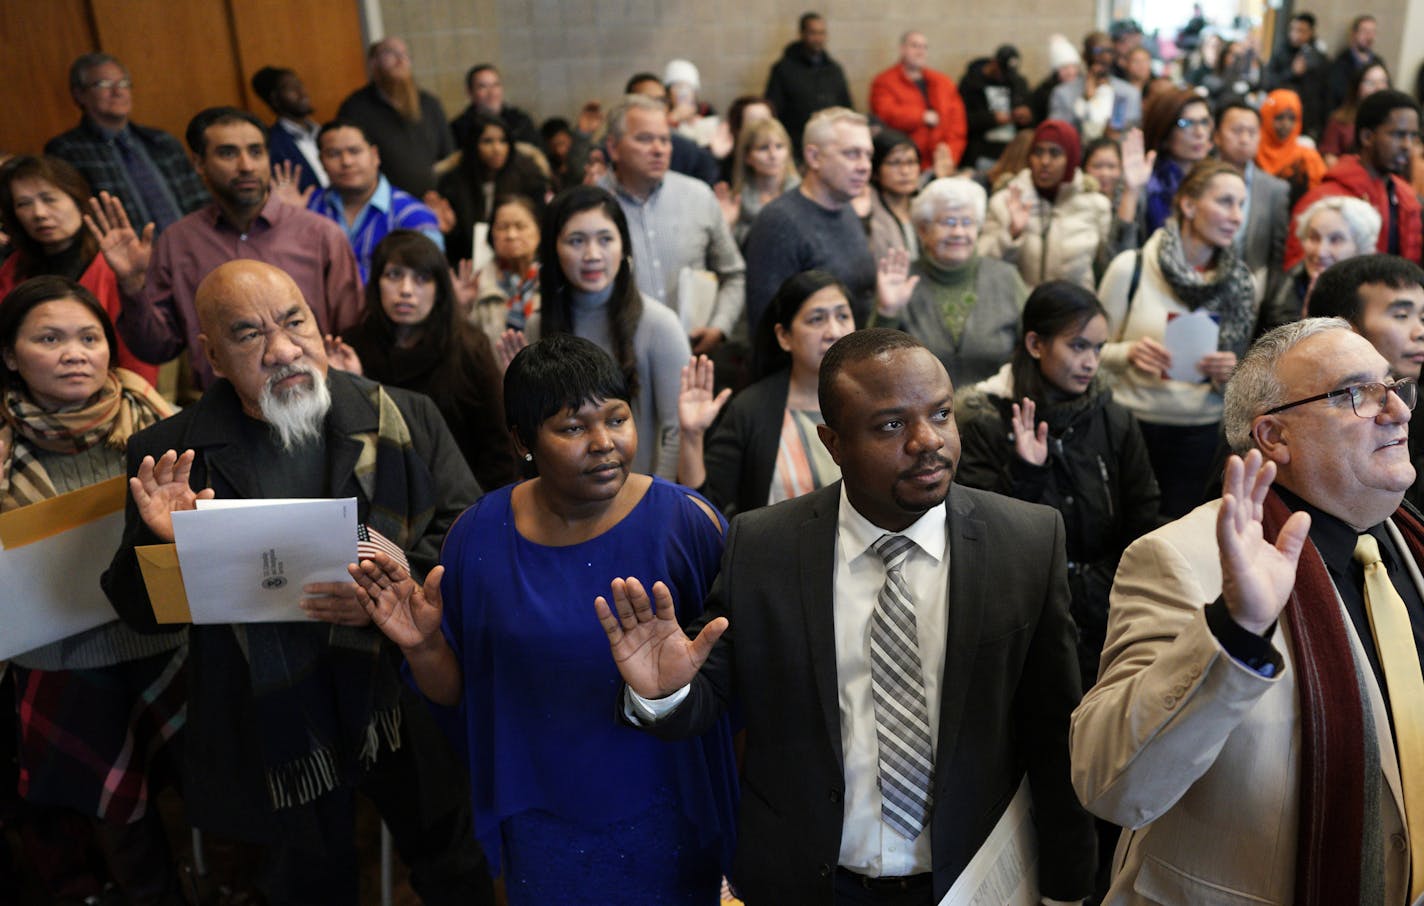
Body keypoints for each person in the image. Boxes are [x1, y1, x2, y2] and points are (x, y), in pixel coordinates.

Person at [597, 328, 1096, 903]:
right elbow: (712, 699)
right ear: (832, 442)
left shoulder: (1026, 542)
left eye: (940, 413)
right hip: (809, 881)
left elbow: (1056, 737)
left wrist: (1067, 889)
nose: (927, 441)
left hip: (970, 882)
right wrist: (664, 694)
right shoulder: (764, 547)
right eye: (891, 425)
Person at [100, 260, 494, 905]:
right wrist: (165, 543)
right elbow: (142, 615)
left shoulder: (402, 416)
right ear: (214, 358)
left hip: (397, 693)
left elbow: (470, 541)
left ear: (318, 320)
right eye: (249, 334)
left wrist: (394, 584)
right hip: (270, 711)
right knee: (308, 884)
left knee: (453, 864)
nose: (283, 349)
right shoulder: (173, 451)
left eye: (294, 321)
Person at [349, 333, 738, 905]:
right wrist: (423, 646)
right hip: (538, 808)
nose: (604, 443)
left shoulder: (687, 524)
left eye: (617, 418)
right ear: (523, 440)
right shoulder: (477, 537)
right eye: (573, 427)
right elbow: (459, 695)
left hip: (666, 799)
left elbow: (737, 684)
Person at [1071, 318, 1421, 905]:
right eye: (1357, 394)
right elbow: (1111, 784)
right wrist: (1235, 631)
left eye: (1393, 385)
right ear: (1273, 437)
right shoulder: (1180, 557)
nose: (1398, 411)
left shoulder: (1407, 543)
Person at [0, 276, 184, 905]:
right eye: (48, 338)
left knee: (196, 789)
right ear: (9, 354)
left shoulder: (157, 420)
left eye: (89, 337)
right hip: (60, 663)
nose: (74, 352)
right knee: (118, 814)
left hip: (166, 643)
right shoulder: (3, 444)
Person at [954, 280, 1161, 690]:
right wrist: (1026, 474)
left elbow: (1143, 515)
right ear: (1035, 343)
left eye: (1099, 349)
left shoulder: (1113, 419)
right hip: (1024, 616)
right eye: (1078, 346)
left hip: (1106, 609)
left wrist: (1099, 590)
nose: (1091, 362)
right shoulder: (984, 421)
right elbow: (979, 537)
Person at [87, 106, 362, 392]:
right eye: (228, 153)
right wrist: (132, 287)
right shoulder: (179, 242)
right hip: (223, 413)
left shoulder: (319, 235)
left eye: (256, 152)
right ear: (199, 163)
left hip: (314, 396)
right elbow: (156, 349)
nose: (246, 165)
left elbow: (354, 334)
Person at [1097, 159, 1256, 518]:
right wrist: (1128, 353)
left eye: (1241, 205)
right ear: (1188, 205)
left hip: (1200, 434)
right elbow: (1089, 353)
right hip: (1130, 425)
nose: (1236, 216)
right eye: (1225, 202)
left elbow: (1245, 384)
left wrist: (1231, 371)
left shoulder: (1241, 283)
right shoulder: (1132, 267)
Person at [518, 186, 690, 481]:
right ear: (553, 249)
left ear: (623, 246)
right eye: (576, 241)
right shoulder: (537, 325)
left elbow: (677, 431)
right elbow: (535, 438)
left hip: (637, 498)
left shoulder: (659, 325)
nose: (592, 255)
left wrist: (650, 498)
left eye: (605, 239)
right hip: (564, 499)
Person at [343, 230, 517, 491]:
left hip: (459, 498)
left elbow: (498, 448)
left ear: (439, 288)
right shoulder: (351, 347)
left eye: (421, 278)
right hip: (376, 495)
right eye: (394, 275)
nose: (406, 291)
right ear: (376, 281)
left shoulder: (469, 347)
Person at [678, 270, 852, 516]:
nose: (834, 331)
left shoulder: (875, 399)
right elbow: (701, 509)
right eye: (817, 319)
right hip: (781, 552)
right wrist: (692, 436)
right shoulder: (751, 410)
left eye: (843, 316)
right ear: (784, 336)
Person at [598, 95, 746, 357]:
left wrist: (719, 327)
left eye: (665, 139)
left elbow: (733, 274)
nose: (659, 149)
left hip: (693, 353)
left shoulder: (698, 196)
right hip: (615, 356)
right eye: (644, 139)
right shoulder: (592, 205)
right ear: (613, 147)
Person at [0, 155, 156, 383]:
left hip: (109, 396)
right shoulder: (14, 267)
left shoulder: (114, 266)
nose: (39, 213)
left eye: (49, 199)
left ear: (77, 199)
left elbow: (138, 361)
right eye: (23, 204)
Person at [872, 176, 1029, 389]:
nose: (958, 232)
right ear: (923, 230)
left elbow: (1031, 349)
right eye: (948, 222)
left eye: (967, 222)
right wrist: (887, 312)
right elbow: (875, 365)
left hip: (996, 413)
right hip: (919, 414)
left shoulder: (1006, 277)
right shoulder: (900, 280)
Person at [1307, 255, 1424, 510]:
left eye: (1422, 318)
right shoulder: (1302, 413)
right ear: (1344, 329)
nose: (1420, 332)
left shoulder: (1415, 400)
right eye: (1402, 315)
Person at [743, 107, 876, 331]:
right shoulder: (778, 223)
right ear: (814, 157)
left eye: (868, 155)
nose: (865, 166)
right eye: (852, 153)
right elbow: (766, 329)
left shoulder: (847, 209)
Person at [45, 53, 209, 236]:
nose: (118, 92)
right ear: (80, 94)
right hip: (122, 258)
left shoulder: (162, 142)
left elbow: (200, 203)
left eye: (123, 84)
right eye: (104, 85)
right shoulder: (66, 150)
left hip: (191, 249)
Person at [1286, 90, 1422, 267]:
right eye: (1398, 135)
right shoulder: (1326, 200)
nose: (1407, 146)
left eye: (1413, 136)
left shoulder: (1406, 198)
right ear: (1367, 137)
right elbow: (1299, 272)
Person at [978, 120, 1115, 291]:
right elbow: (982, 265)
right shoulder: (1006, 201)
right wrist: (1011, 235)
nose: (1044, 161)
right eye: (1038, 152)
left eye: (1055, 153)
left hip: (1074, 311)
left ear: (1071, 158)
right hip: (1019, 311)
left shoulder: (1095, 205)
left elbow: (1108, 266)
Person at [302, 120, 443, 281]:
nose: (346, 162)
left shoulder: (414, 215)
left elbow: (429, 281)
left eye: (354, 151)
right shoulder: (308, 207)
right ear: (321, 162)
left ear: (375, 155)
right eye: (333, 154)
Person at [337, 37, 453, 196]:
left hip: (432, 203)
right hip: (382, 205)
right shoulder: (355, 107)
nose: (400, 60)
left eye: (405, 54)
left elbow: (447, 157)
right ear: (373, 63)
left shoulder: (429, 103)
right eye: (390, 53)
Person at [436, 113, 549, 268]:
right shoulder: (453, 183)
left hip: (523, 262)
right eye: (487, 141)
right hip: (469, 263)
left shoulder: (529, 176)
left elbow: (542, 224)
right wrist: (449, 230)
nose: (497, 149)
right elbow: (456, 245)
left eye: (503, 141)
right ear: (473, 144)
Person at [1258, 195, 1381, 332]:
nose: (1320, 252)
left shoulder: (1378, 295)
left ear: (1361, 248)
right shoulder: (1281, 289)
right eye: (1313, 237)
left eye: (1336, 240)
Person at [1213, 102, 1291, 304]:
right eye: (1237, 131)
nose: (1245, 139)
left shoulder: (1275, 189)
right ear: (1217, 136)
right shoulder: (1198, 179)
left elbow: (1277, 254)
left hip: (1251, 296)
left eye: (1252, 132)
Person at [869, 31, 969, 170]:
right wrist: (921, 117)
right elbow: (885, 114)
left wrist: (950, 156)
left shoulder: (943, 82)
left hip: (940, 160)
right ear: (902, 49)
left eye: (924, 47)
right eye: (915, 46)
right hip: (903, 162)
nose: (920, 51)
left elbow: (957, 126)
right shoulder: (884, 82)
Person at [763, 12, 854, 157]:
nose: (818, 38)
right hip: (797, 144)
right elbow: (773, 108)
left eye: (822, 33)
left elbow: (846, 106)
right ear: (802, 34)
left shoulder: (834, 70)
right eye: (813, 33)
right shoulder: (783, 69)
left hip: (832, 143)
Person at [1137, 88, 1214, 237]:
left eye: (1204, 122)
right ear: (1164, 130)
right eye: (1186, 123)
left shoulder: (1215, 178)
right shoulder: (1146, 182)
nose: (1199, 133)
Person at [468, 194, 541, 341]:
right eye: (502, 227)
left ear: (539, 231)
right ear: (491, 234)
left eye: (520, 226)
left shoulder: (555, 280)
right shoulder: (476, 283)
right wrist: (462, 309)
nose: (511, 235)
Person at [1049, 32, 1142, 142]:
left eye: (1109, 51)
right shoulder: (1063, 93)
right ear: (1084, 55)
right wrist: (1085, 100)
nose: (1104, 56)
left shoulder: (1129, 93)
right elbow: (1058, 133)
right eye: (1097, 51)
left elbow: (1132, 133)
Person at [251, 66, 328, 195]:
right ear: (275, 99)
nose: (302, 92)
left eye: (300, 85)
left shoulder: (325, 133)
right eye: (291, 88)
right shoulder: (272, 145)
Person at [724, 117, 799, 247]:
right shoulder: (736, 201)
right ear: (748, 157)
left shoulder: (803, 194)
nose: (773, 155)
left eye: (779, 146)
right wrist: (727, 224)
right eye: (763, 148)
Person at [960, 44, 1035, 171]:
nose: (1005, 76)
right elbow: (962, 118)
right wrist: (992, 119)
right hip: (981, 151)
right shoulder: (971, 83)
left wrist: (1026, 116)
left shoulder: (1017, 82)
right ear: (994, 63)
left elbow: (1030, 115)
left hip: (1012, 151)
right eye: (1003, 71)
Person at [1255, 89, 1327, 207]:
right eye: (1279, 117)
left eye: (1292, 118)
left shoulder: (1307, 158)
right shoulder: (1252, 153)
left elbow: (1320, 197)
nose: (1286, 124)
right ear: (1266, 117)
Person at [1263, 12, 1329, 137]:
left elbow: (1323, 93)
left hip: (1308, 119)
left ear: (1311, 32)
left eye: (1301, 31)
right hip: (1281, 118)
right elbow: (1268, 83)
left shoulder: (1319, 58)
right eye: (1293, 30)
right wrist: (1291, 72)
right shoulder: (1280, 52)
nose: (1296, 35)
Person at [450, 64, 541, 150]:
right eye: (483, 87)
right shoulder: (458, 129)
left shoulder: (521, 122)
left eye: (496, 85)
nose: (492, 93)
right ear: (470, 92)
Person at [1321, 61, 1392, 166]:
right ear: (1357, 87)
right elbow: (1329, 158)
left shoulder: (1394, 121)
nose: (1378, 88)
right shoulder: (1340, 120)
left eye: (1383, 82)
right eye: (1370, 83)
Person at [866, 129, 922, 262]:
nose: (905, 171)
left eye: (911, 162)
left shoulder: (925, 206)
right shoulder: (867, 213)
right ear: (875, 170)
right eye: (894, 163)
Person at [1327, 14, 1383, 115]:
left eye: (1372, 32)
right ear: (1354, 34)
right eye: (1365, 31)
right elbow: (1338, 95)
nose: (1369, 36)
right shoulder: (1341, 62)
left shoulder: (1378, 62)